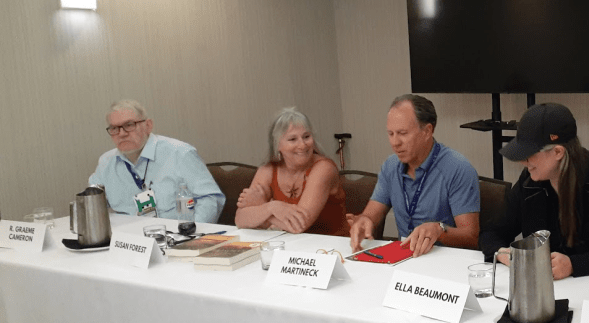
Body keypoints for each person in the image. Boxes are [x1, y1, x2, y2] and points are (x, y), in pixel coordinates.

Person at [479, 103, 589, 279]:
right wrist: (502, 253)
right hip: (545, 290)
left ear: (558, 151)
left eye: (528, 154)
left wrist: (574, 265)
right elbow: (492, 232)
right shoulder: (528, 181)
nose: (522, 162)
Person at [348, 95, 480, 256]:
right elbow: (370, 215)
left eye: (402, 133)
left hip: (444, 259)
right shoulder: (390, 166)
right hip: (403, 258)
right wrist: (363, 222)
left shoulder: (458, 168)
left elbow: (471, 236)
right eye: (390, 134)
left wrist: (439, 230)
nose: (395, 142)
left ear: (427, 131)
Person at [89, 100, 224, 223]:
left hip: (176, 237)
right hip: (131, 241)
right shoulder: (106, 162)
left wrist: (194, 235)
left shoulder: (180, 153)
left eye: (129, 125)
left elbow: (210, 199)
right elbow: (92, 205)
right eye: (114, 128)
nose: (122, 133)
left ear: (148, 125)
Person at [235, 108, 349, 236]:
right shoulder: (267, 169)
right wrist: (272, 208)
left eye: (306, 137)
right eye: (292, 139)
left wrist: (261, 207)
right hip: (291, 246)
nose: (303, 145)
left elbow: (299, 225)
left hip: (331, 247)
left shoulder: (324, 168)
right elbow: (240, 219)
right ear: (277, 145)